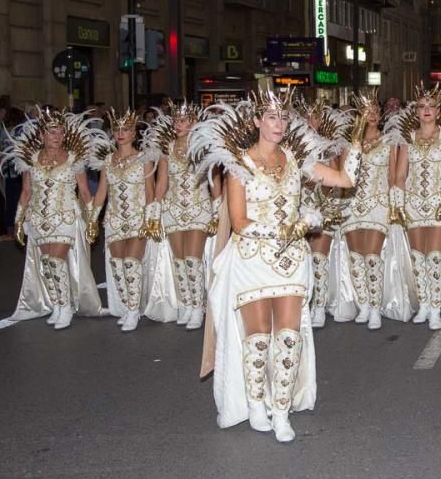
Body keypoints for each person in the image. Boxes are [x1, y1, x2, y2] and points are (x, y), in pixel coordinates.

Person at [194, 87, 361, 442]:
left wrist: (357, 140)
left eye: (284, 117)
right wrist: (288, 228)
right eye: (271, 117)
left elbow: (345, 180)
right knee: (258, 338)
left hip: (291, 262)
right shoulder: (238, 164)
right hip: (252, 260)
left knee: (289, 336)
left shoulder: (297, 159)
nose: (279, 123)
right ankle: (256, 405)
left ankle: (282, 411)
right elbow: (239, 221)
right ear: (257, 121)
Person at [3, 106, 111, 328]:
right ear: (42, 134)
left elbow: (84, 192)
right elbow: (25, 192)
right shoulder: (30, 159)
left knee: (56, 260)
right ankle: (58, 304)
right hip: (38, 218)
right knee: (46, 262)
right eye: (52, 132)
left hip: (65, 217)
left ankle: (66, 307)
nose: (57, 136)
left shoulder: (74, 159)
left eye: (61, 132)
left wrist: (92, 220)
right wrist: (18, 221)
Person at [143, 100, 222, 330]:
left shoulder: (204, 146)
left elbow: (214, 178)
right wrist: (155, 208)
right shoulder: (167, 147)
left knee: (192, 258)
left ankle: (198, 307)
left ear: (194, 122)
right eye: (176, 120)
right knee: (178, 261)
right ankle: (186, 303)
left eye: (184, 120)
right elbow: (163, 181)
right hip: (173, 208)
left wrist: (217, 208)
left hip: (199, 207)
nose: (178, 124)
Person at [386, 83, 441, 330]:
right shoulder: (408, 139)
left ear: (438, 111)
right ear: (415, 111)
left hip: (439, 203)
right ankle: (425, 303)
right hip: (414, 204)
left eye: (431, 106)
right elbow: (399, 175)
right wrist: (398, 203)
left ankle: (436, 307)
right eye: (422, 106)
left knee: (435, 255)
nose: (426, 110)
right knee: (418, 257)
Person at [91, 109, 156, 331]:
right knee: (117, 266)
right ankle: (129, 305)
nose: (120, 133)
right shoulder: (108, 160)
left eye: (126, 129)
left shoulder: (144, 158)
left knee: (131, 262)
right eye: (117, 129)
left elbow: (150, 192)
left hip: (138, 218)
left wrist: (151, 219)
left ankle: (132, 311)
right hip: (114, 220)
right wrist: (92, 219)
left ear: (134, 134)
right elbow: (101, 192)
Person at [341, 90, 392, 330]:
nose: (371, 114)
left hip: (378, 203)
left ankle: (375, 307)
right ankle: (363, 304)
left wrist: (396, 206)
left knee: (372, 256)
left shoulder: (391, 141)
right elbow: (342, 177)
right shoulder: (347, 143)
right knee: (355, 257)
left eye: (375, 109)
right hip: (352, 204)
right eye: (366, 110)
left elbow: (393, 177)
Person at [298, 100, 350, 328]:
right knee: (302, 259)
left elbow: (338, 177)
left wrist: (327, 205)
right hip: (297, 209)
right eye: (307, 116)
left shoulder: (329, 146)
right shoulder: (291, 147)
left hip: (322, 207)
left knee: (319, 258)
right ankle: (303, 304)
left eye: (315, 116)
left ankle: (319, 305)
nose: (311, 121)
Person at [0, 107, 26, 230]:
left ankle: (10, 223)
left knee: (9, 196)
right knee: (17, 196)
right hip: (16, 168)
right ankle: (16, 222)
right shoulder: (18, 131)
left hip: (6, 168)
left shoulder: (3, 130)